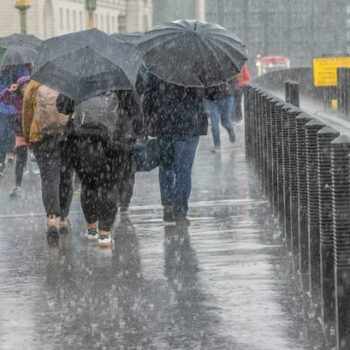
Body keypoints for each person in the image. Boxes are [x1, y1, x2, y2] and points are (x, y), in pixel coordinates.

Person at [61, 90, 143, 248]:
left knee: (88, 184)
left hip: (81, 142)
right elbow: (136, 112)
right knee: (109, 186)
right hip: (114, 142)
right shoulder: (120, 80)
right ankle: (104, 233)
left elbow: (62, 106)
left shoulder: (78, 77)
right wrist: (136, 132)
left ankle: (91, 228)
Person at [142, 74, 207, 225]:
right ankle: (181, 212)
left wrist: (145, 119)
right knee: (183, 170)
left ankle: (168, 206)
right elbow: (213, 93)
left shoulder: (159, 65)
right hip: (190, 123)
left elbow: (149, 94)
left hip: (164, 122)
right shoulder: (197, 65)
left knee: (166, 165)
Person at [23, 80, 74, 239]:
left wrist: (28, 138)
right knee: (66, 177)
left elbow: (27, 114)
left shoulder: (34, 84)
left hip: (42, 137)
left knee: (48, 178)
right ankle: (64, 218)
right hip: (66, 136)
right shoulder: (70, 80)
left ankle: (52, 218)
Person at [0, 75, 30, 197]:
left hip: (35, 132)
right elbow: (2, 98)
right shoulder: (16, 98)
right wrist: (8, 90)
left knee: (42, 160)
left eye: (28, 85)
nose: (26, 88)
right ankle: (18, 186)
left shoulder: (36, 97)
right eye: (24, 86)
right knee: (21, 161)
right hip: (21, 132)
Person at [203, 80, 237, 152]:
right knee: (214, 124)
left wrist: (229, 87)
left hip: (226, 99)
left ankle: (230, 130)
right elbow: (202, 88)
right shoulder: (206, 73)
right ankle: (217, 145)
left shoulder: (226, 70)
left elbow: (234, 81)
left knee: (225, 122)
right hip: (212, 101)